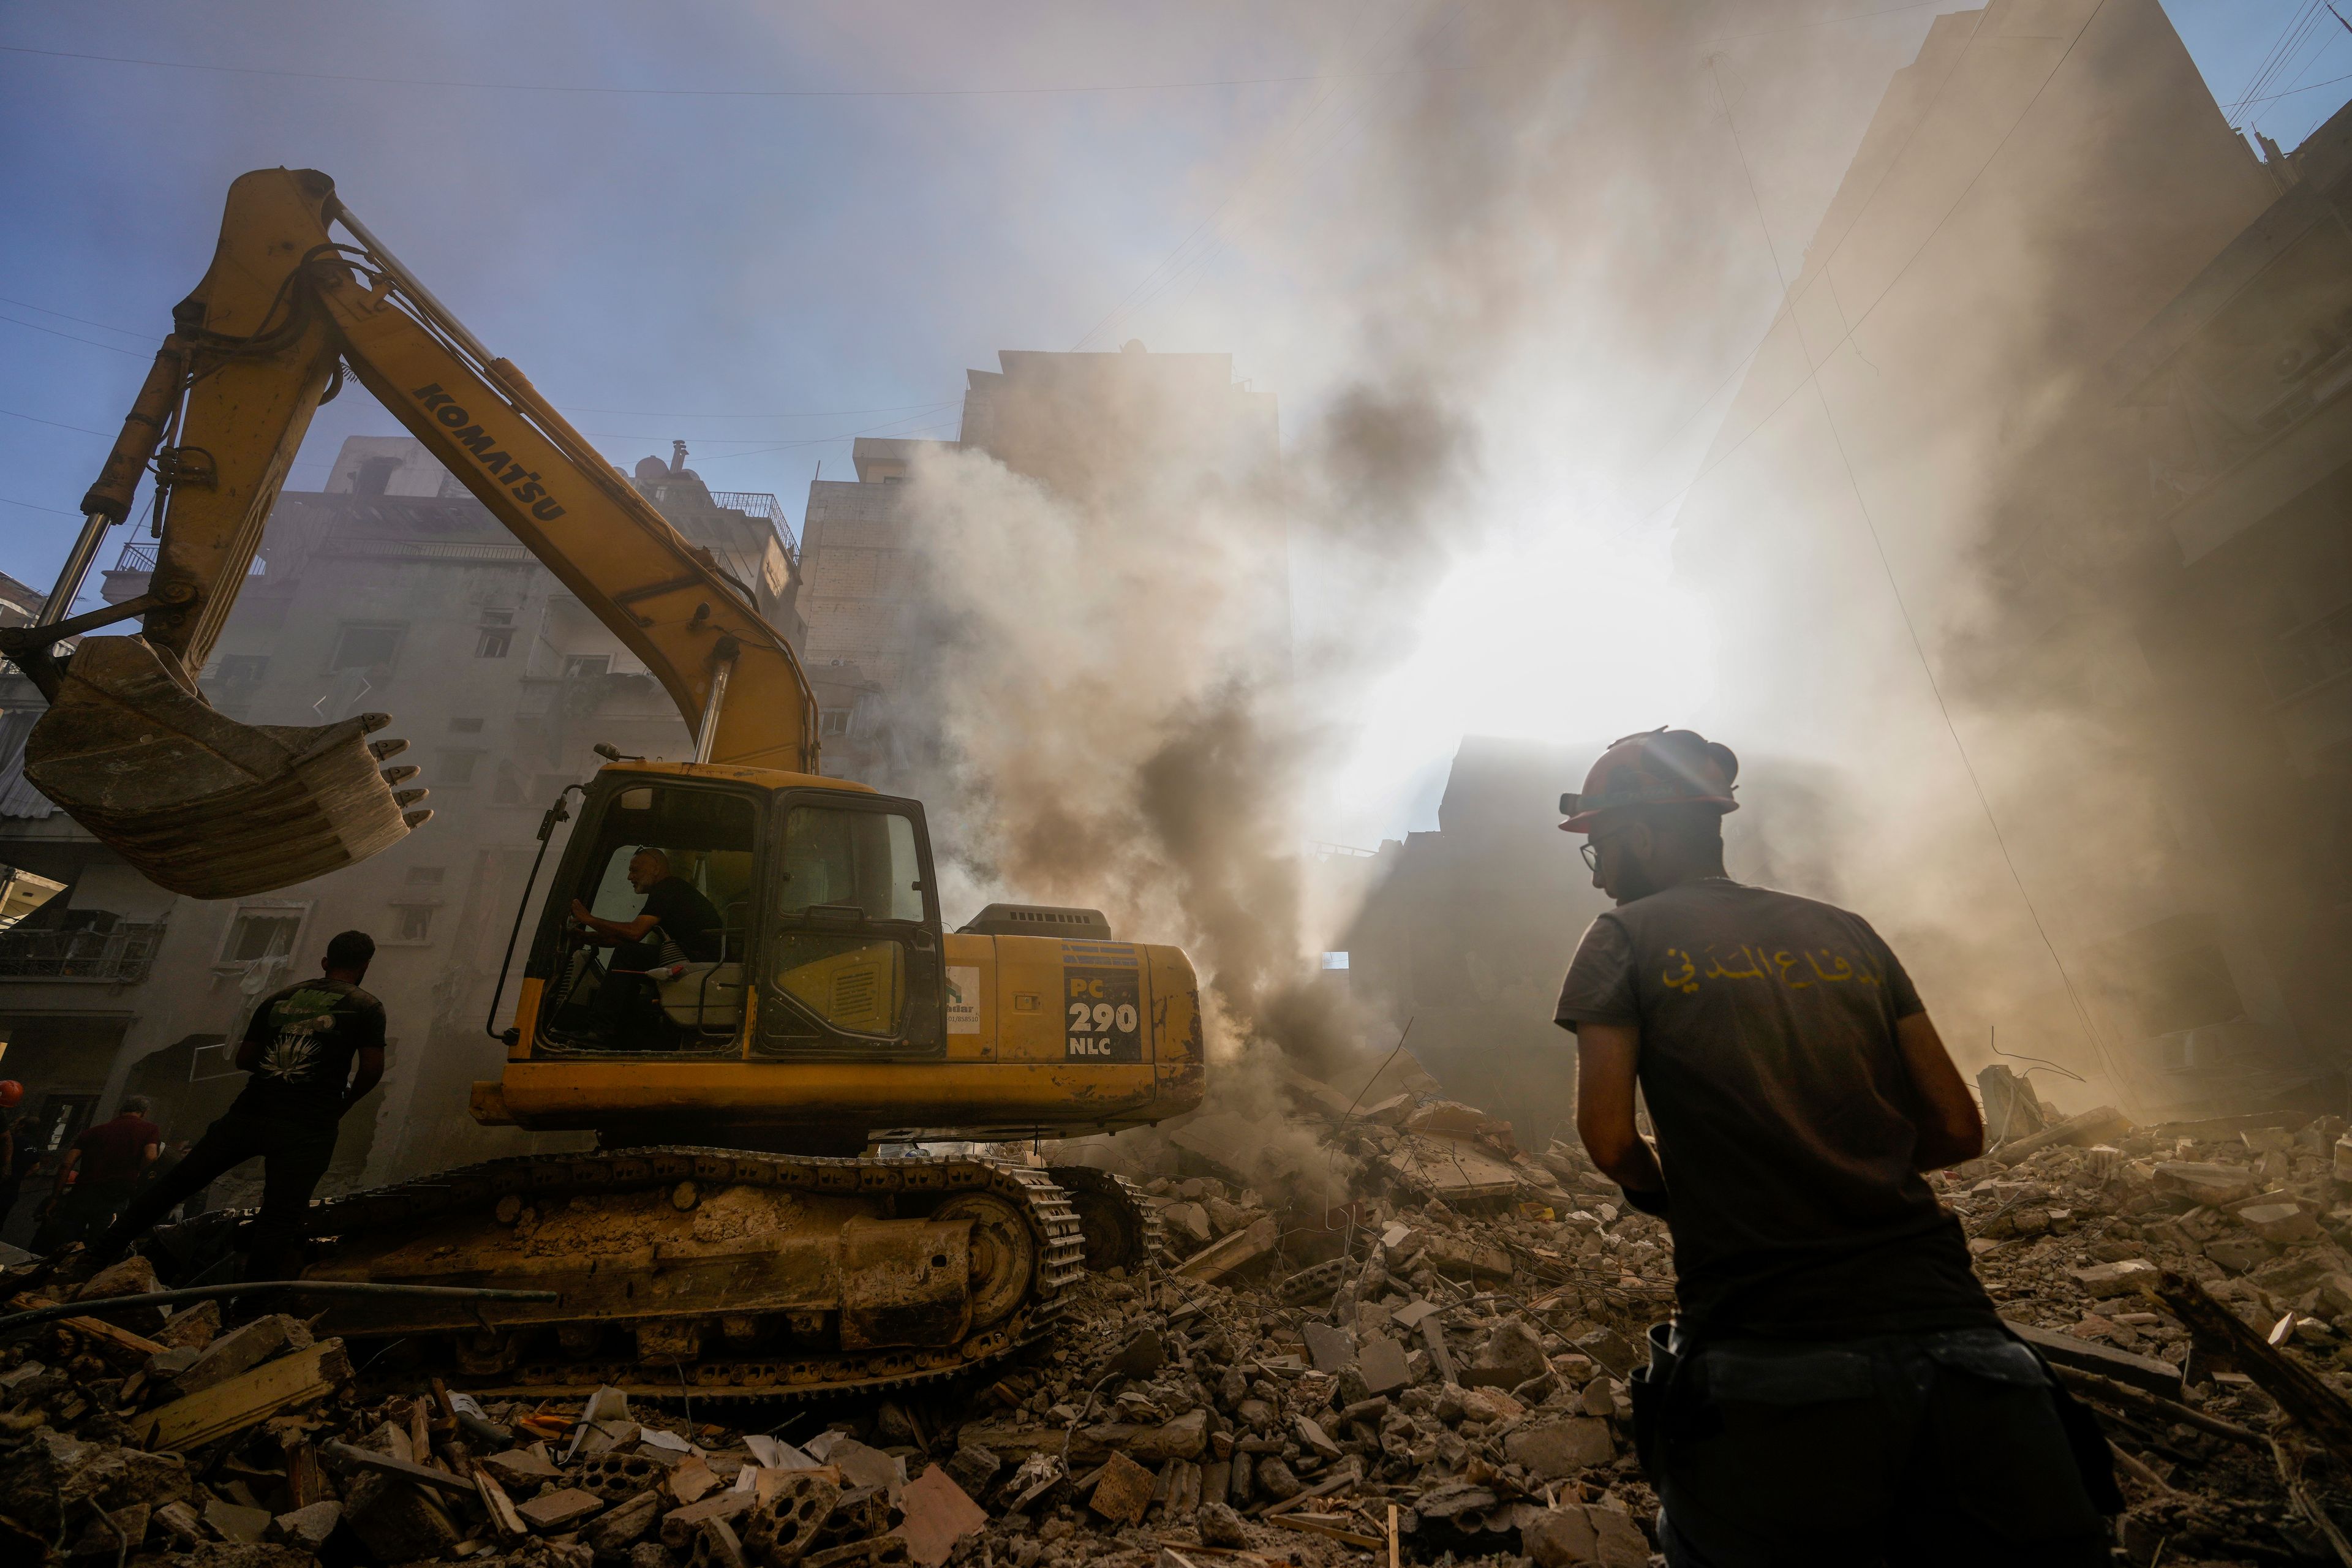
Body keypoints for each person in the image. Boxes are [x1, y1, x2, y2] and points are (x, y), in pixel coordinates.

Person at [1551, 728, 2117, 1566]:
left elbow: (1605, 1138)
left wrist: (1680, 1190)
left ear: (1640, 835)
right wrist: (1849, 1160)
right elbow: (1962, 1128)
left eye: (1599, 845)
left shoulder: (1623, 938)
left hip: (1770, 1360)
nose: (1597, 871)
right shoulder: (1848, 932)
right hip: (1968, 1355)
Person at [92, 930, 385, 1282]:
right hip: (309, 1126)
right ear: (365, 965)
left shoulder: (279, 999)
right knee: (280, 1217)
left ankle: (98, 1253)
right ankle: (249, 1308)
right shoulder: (367, 1006)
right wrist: (344, 1102)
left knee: (176, 1184)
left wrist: (279, 1066)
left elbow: (245, 1058)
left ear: (325, 962)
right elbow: (371, 1070)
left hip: (251, 1111)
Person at [568, 848, 722, 1035]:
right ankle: (620, 1031)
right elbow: (626, 936)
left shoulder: (667, 889)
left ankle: (599, 1031)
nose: (629, 877)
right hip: (696, 960)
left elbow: (634, 933)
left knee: (627, 954)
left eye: (635, 871)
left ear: (656, 869)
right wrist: (587, 937)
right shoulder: (671, 889)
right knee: (630, 952)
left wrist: (589, 919)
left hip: (701, 963)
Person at [45, 1096, 161, 1245]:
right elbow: (151, 1156)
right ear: (145, 1113)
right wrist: (137, 1170)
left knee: (66, 1241)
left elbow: (66, 1164)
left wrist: (55, 1197)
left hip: (84, 1191)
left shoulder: (92, 1132)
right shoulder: (149, 1130)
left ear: (121, 1111)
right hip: (117, 1192)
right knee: (101, 1241)